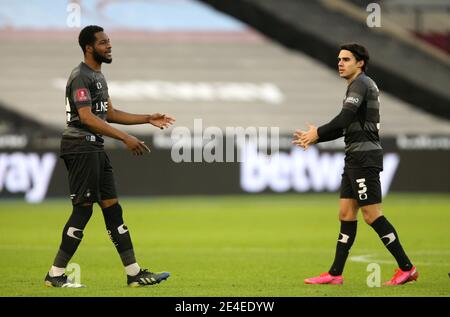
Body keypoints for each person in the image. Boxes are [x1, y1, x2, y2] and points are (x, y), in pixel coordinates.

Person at [44, 25, 175, 288]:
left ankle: (134, 273)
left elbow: (109, 113)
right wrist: (125, 138)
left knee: (113, 209)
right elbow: (87, 117)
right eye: (103, 43)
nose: (109, 46)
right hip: (80, 146)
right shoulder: (80, 76)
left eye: (110, 41)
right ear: (89, 47)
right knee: (83, 210)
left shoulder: (98, 76)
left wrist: (147, 118)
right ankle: (55, 274)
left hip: (94, 147)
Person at [292, 43, 418, 286]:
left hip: (364, 158)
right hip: (354, 157)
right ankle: (335, 274)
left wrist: (317, 132)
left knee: (372, 215)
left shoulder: (361, 84)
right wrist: (315, 137)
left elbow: (344, 119)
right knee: (346, 214)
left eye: (346, 59)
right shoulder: (356, 86)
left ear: (360, 63)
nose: (340, 63)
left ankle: (407, 268)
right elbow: (346, 127)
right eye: (339, 59)